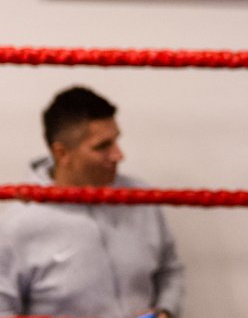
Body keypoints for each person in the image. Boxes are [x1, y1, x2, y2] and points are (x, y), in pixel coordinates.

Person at [0, 85, 184, 318]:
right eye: (102, 146)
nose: (119, 155)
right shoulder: (17, 224)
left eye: (116, 141)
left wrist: (165, 311)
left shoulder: (139, 196)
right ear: (62, 154)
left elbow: (169, 269)